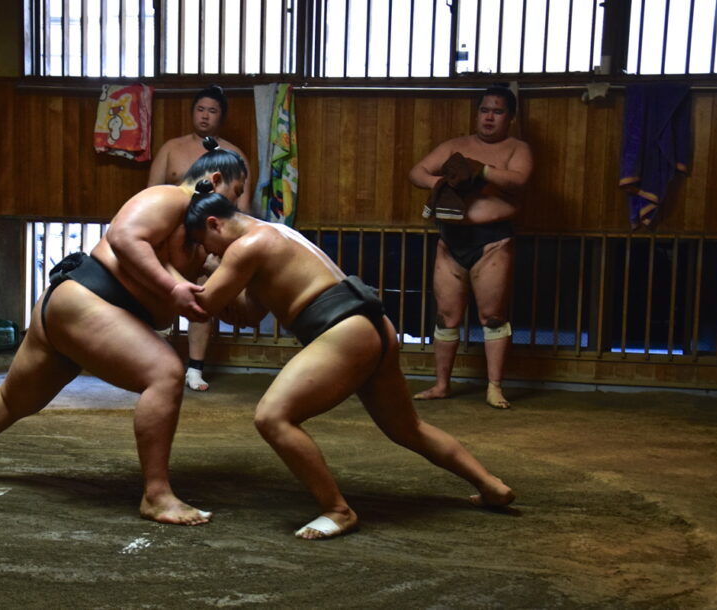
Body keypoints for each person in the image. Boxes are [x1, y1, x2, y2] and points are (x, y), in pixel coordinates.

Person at [0, 140, 248, 527]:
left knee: (14, 401)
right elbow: (123, 237)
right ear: (214, 181)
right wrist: (172, 286)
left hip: (82, 313)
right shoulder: (169, 198)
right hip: (87, 297)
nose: (237, 206)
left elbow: (222, 301)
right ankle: (157, 496)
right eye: (236, 193)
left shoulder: (203, 236)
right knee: (164, 371)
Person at [183, 185, 515, 540]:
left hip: (343, 330)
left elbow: (201, 307)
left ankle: (338, 510)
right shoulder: (273, 234)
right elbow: (248, 315)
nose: (207, 250)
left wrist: (184, 271)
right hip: (370, 324)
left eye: (203, 242)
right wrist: (210, 276)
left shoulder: (247, 246)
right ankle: (491, 485)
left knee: (272, 417)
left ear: (215, 224)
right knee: (407, 428)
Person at [408, 86, 533, 409]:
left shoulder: (517, 149)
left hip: (493, 241)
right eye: (484, 110)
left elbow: (520, 181)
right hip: (450, 241)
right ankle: (441, 384)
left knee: (492, 316)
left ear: (510, 117)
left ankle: (494, 386)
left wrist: (483, 171)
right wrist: (441, 182)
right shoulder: (455, 147)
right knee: (446, 316)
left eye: (498, 111)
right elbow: (416, 172)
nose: (489, 117)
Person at [148, 85, 253, 392]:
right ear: (192, 112)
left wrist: (227, 245)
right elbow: (151, 192)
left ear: (222, 117)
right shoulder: (171, 148)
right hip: (171, 234)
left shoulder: (234, 155)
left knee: (203, 297)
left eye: (213, 111)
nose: (205, 116)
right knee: (159, 293)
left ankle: (194, 368)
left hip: (211, 237)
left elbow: (241, 209)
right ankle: (152, 361)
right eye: (200, 109)